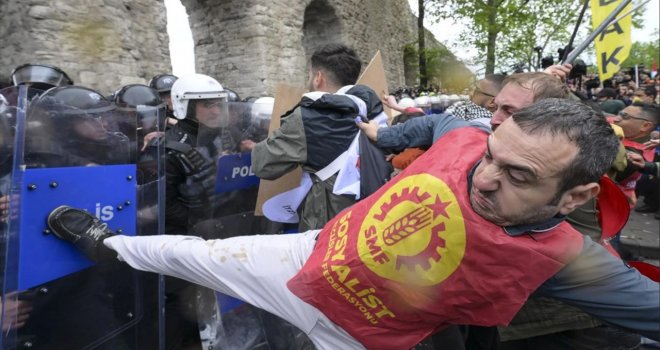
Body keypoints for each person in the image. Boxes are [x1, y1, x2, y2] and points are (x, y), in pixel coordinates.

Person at [46, 98, 659, 350]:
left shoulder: (568, 259)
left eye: (520, 177)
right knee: (191, 255)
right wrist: (385, 134)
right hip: (308, 256)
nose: (487, 177)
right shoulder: (468, 136)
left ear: (574, 193)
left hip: (361, 337)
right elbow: (431, 128)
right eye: (493, 154)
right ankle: (115, 246)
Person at [252, 43, 389, 231]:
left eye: (309, 74)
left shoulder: (310, 116)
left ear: (318, 77)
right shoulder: (375, 107)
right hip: (374, 215)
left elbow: (263, 165)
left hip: (331, 222)